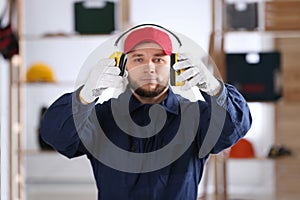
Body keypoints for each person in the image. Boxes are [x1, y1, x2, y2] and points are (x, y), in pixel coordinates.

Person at [41, 24, 252, 200]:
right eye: (138, 58)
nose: (149, 67)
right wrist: (85, 95)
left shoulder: (195, 117)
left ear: (173, 66)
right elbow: (55, 134)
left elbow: (236, 125)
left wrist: (214, 87)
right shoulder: (101, 118)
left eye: (158, 59)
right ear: (124, 66)